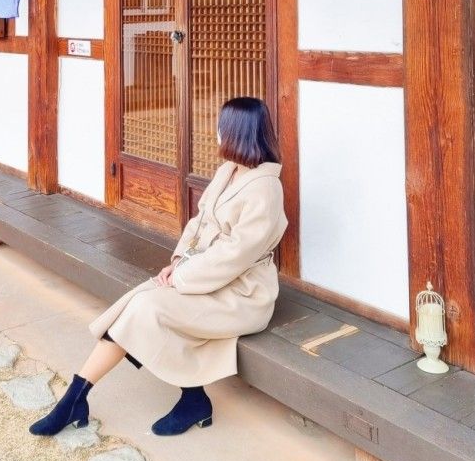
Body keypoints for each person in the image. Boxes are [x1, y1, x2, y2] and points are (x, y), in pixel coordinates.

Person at [30, 96, 288, 438]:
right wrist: (178, 261)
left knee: (146, 308)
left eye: (221, 125)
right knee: (137, 305)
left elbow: (234, 255)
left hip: (242, 293)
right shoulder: (229, 170)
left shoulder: (265, 188)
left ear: (236, 132)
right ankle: (76, 399)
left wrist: (181, 277)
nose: (216, 131)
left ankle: (187, 401)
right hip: (204, 275)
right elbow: (199, 221)